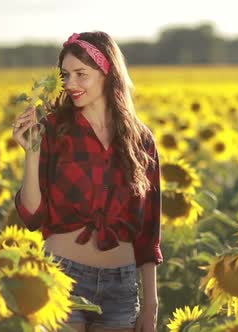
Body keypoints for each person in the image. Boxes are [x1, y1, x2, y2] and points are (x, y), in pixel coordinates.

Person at [11, 31, 162, 332]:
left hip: (121, 288)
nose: (71, 84)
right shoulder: (53, 129)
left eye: (82, 74)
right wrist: (31, 153)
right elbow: (31, 215)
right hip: (63, 277)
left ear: (108, 72)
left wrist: (151, 304)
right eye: (66, 75)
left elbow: (148, 232)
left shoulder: (141, 140)